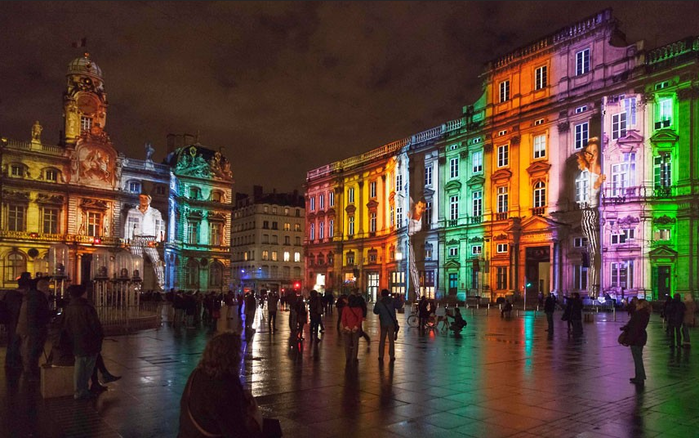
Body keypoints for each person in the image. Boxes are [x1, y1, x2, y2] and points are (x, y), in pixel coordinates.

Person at [178, 331, 282, 437]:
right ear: (231, 357)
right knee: (273, 431)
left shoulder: (197, 374)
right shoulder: (225, 388)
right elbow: (235, 431)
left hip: (187, 433)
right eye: (238, 353)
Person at [62, 285, 104, 400]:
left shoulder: (69, 307)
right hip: (89, 341)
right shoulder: (87, 307)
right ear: (82, 294)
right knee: (87, 367)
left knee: (79, 365)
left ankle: (79, 390)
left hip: (76, 340)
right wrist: (99, 338)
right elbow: (95, 326)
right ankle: (82, 390)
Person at [124, 192, 166, 288]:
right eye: (141, 198)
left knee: (156, 260)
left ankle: (161, 282)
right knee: (136, 261)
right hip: (136, 238)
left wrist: (158, 240)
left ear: (149, 199)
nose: (143, 200)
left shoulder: (155, 212)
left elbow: (160, 226)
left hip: (150, 238)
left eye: (145, 198)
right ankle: (136, 283)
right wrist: (127, 241)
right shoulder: (132, 212)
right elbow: (128, 227)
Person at [15, 277, 52, 381]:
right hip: (33, 329)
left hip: (25, 327)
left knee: (27, 349)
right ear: (44, 287)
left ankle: (30, 370)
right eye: (48, 287)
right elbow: (39, 314)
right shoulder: (39, 297)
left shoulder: (31, 296)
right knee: (31, 350)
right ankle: (31, 372)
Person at [3, 272, 32, 370]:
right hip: (18, 322)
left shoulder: (9, 294)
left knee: (12, 342)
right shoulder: (22, 297)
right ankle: (14, 363)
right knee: (17, 343)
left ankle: (10, 362)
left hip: (10, 322)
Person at [621, 299, 651, 386]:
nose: (636, 306)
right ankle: (639, 376)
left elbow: (634, 328)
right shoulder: (645, 313)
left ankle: (640, 377)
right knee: (638, 358)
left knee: (637, 359)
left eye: (638, 304)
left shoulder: (639, 314)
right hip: (641, 337)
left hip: (636, 338)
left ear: (641, 305)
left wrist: (628, 340)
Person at [373, 289, 403, 362]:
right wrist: (399, 299)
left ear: (382, 294)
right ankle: (392, 356)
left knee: (382, 340)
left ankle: (381, 356)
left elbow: (375, 311)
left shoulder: (379, 302)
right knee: (391, 340)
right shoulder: (392, 301)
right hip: (391, 323)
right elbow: (399, 306)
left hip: (383, 323)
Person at [341, 295, 364, 365]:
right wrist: (356, 326)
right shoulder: (359, 309)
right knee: (355, 344)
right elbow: (360, 318)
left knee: (347, 344)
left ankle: (348, 357)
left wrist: (346, 326)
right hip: (356, 329)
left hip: (347, 328)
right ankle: (354, 357)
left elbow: (343, 318)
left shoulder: (346, 308)